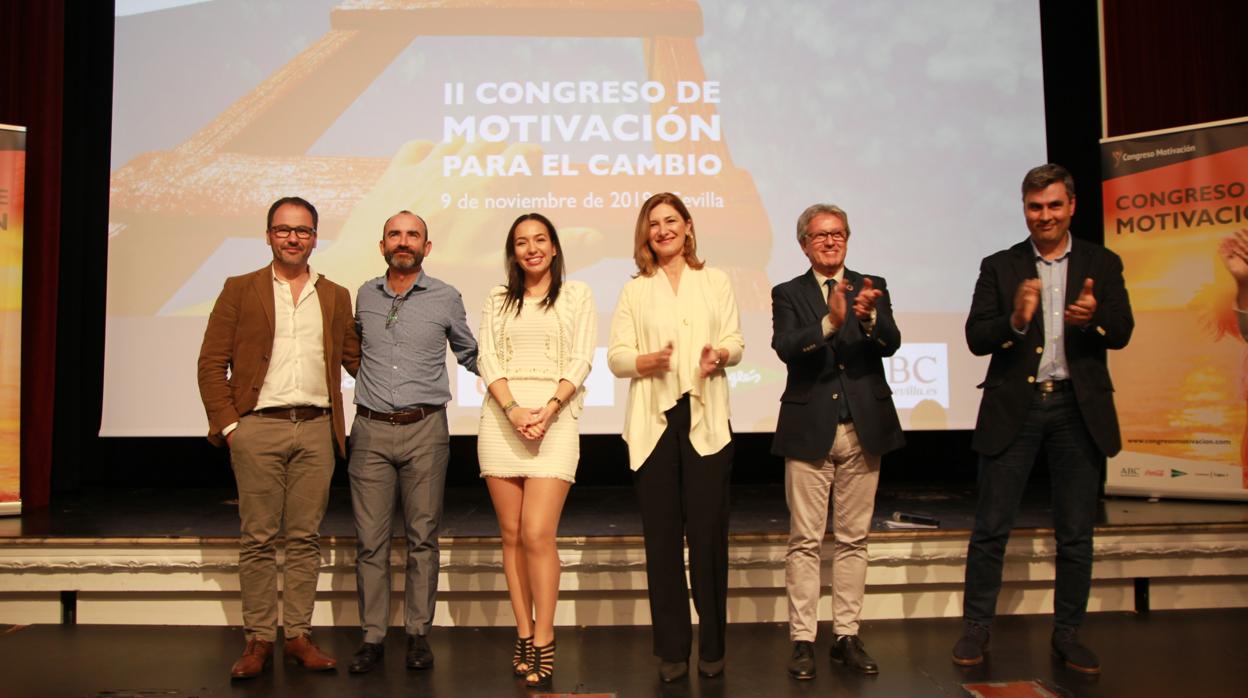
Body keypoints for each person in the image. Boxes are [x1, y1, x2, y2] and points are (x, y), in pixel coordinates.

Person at [953, 164, 1133, 675]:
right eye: (1035, 207)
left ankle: (1069, 633)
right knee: (991, 527)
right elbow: (975, 336)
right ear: (1024, 209)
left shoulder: (1103, 261)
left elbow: (1121, 330)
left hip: (1078, 408)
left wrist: (1091, 320)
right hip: (1017, 406)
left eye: (1054, 205)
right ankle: (977, 627)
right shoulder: (1001, 266)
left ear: (1071, 205)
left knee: (1075, 530)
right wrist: (1015, 320)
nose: (1045, 216)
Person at [197, 196, 360, 679]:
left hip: (315, 426)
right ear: (268, 235)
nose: (294, 238)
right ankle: (258, 640)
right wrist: (231, 426)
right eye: (284, 230)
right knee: (258, 539)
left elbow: (356, 360)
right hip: (257, 428)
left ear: (315, 237)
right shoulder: (239, 289)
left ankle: (299, 636)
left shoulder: (334, 295)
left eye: (303, 230)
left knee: (306, 538)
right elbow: (211, 363)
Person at [607, 192, 744, 683]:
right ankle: (670, 649)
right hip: (653, 424)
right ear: (645, 234)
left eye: (671, 220)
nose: (662, 230)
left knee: (708, 538)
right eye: (653, 223)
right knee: (661, 541)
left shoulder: (715, 280)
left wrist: (719, 357)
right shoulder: (636, 289)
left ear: (688, 226)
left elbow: (735, 341)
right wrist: (646, 361)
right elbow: (617, 356)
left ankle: (713, 646)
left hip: (706, 419)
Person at [770, 204, 905, 679]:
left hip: (862, 429)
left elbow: (891, 343)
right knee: (804, 541)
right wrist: (830, 323)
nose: (830, 241)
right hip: (810, 430)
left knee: (854, 539)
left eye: (838, 234)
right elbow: (786, 347)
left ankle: (846, 635)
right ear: (804, 243)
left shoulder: (872, 285)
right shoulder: (788, 292)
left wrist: (867, 319)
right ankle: (804, 641)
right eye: (820, 235)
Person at [345, 211, 478, 674]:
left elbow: (470, 352)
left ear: (427, 245)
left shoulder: (445, 296)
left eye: (413, 235)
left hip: (425, 430)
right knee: (370, 542)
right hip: (370, 431)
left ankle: (418, 633)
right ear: (382, 245)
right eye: (395, 235)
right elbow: (350, 352)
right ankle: (373, 637)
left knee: (423, 538)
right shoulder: (363, 295)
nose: (404, 242)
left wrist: (518, 380)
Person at [476, 213, 597, 689]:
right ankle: (522, 631)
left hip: (555, 419)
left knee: (537, 533)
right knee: (510, 534)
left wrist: (546, 409)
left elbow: (582, 357)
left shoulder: (576, 295)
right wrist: (511, 410)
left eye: (540, 240)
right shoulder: (496, 299)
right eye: (522, 242)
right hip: (503, 419)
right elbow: (487, 356)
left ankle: (545, 637)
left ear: (553, 246)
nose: (532, 249)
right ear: (513, 251)